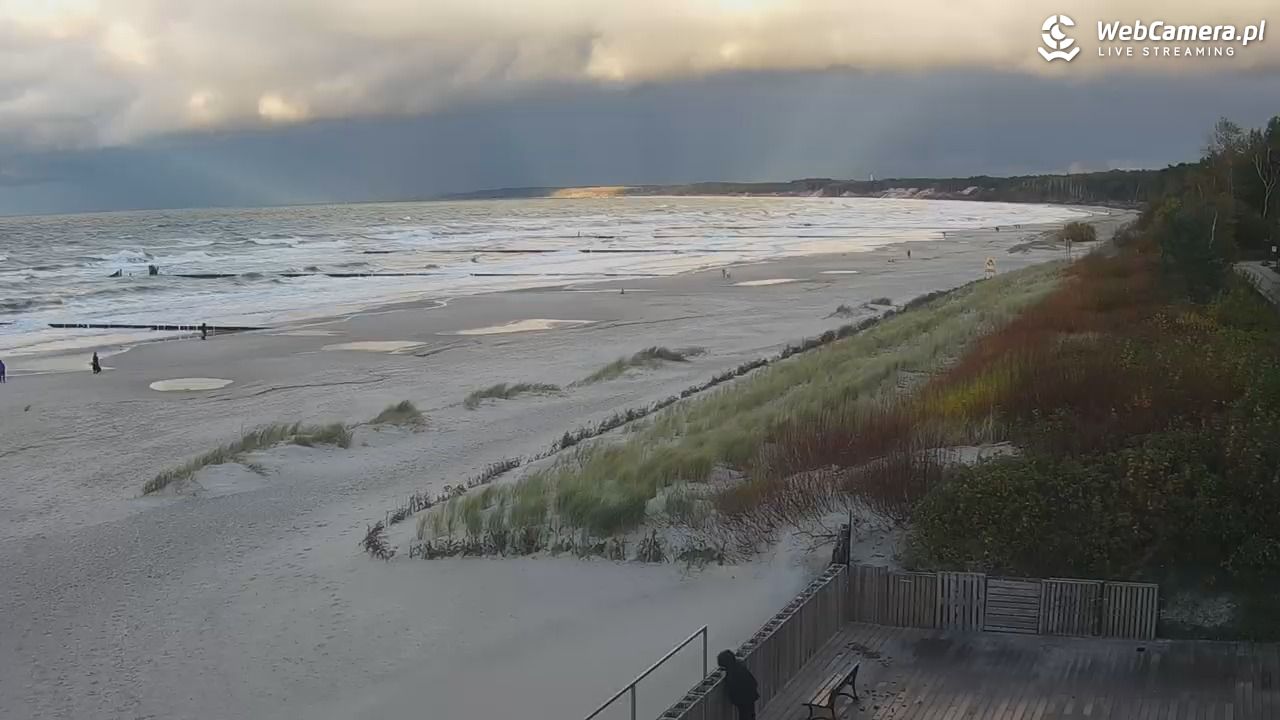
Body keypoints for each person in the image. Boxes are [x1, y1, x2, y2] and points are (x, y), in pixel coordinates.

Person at [718, 650, 759, 720]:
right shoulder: (739, 666)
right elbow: (753, 681)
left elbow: (732, 687)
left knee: (744, 715)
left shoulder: (732, 674)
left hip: (743, 698)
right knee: (750, 714)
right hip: (750, 694)